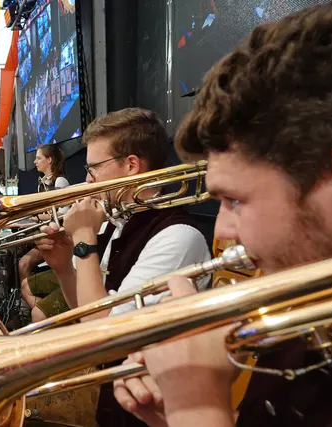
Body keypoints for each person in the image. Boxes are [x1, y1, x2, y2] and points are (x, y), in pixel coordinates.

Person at [113, 4, 332, 426]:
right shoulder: (304, 298)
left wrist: (196, 405)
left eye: (235, 200)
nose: (223, 229)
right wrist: (176, 414)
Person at [36, 107, 211, 427]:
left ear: (131, 165)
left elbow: (104, 337)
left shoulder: (177, 237)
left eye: (94, 168)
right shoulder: (114, 223)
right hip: (114, 398)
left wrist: (84, 240)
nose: (87, 180)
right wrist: (64, 268)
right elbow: (86, 314)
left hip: (150, 412)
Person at [19, 144, 69, 322]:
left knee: (24, 263)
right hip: (47, 234)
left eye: (39, 158)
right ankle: (38, 311)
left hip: (57, 238)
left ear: (49, 160)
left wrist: (36, 216)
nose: (35, 161)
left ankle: (32, 311)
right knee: (20, 261)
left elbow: (63, 213)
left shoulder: (60, 182)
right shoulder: (44, 183)